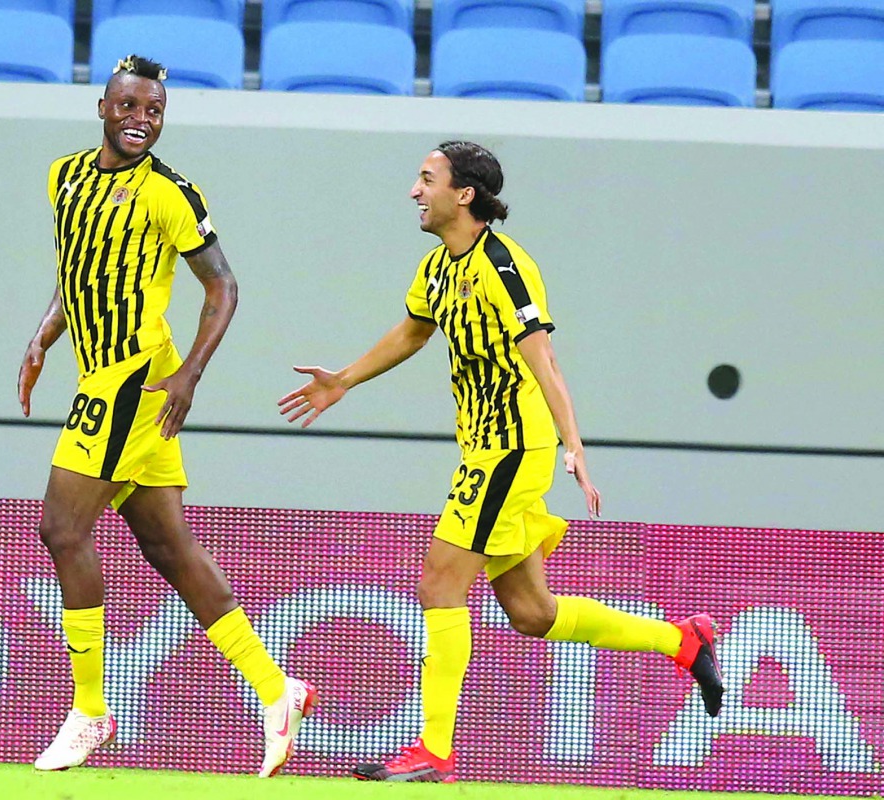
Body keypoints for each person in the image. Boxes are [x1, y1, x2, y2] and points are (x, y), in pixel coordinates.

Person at [278, 141, 723, 783]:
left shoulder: (506, 270)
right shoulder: (438, 268)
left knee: (438, 582)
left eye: (426, 180)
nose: (413, 191)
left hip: (514, 449)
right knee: (531, 613)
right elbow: (413, 331)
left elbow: (546, 361)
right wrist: (343, 379)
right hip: (483, 448)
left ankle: (434, 749)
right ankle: (683, 641)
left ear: (464, 195)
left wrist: (575, 446)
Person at [19, 54, 316, 777]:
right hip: (101, 376)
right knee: (169, 549)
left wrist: (189, 373)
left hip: (133, 383)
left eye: (153, 110)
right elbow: (79, 270)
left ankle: (89, 710)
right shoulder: (65, 177)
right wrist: (43, 335)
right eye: (128, 107)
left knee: (62, 527)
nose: (141, 121)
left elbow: (223, 286)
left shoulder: (171, 194)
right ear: (102, 108)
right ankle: (278, 691)